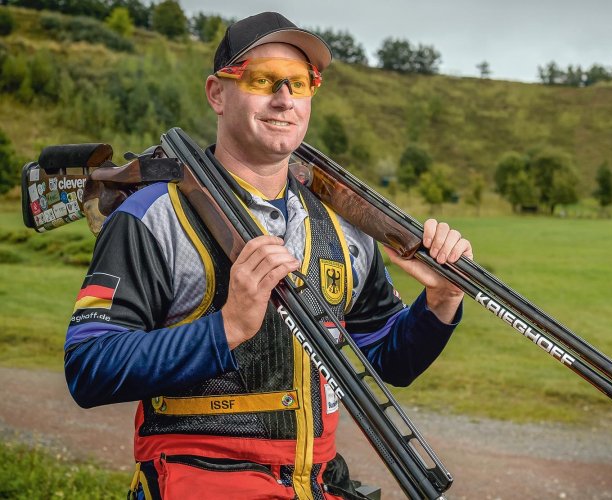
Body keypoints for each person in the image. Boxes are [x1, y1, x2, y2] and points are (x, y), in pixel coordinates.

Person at [64, 12, 472, 500]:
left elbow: (387, 359)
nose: (284, 99)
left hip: (315, 485)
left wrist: (441, 300)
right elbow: (89, 366)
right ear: (218, 93)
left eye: (300, 84)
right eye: (263, 80)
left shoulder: (346, 226)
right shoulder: (152, 217)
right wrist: (229, 326)